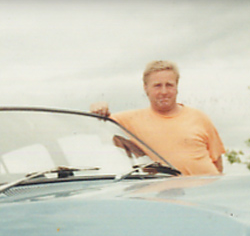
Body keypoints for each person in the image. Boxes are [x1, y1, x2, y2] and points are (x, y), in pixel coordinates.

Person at [90, 61, 225, 176]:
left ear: (177, 87)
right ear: (146, 88)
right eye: (157, 86)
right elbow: (101, 122)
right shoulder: (129, 120)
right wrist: (98, 107)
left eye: (169, 85)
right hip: (165, 198)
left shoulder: (199, 117)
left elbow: (217, 162)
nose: (164, 92)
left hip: (206, 193)